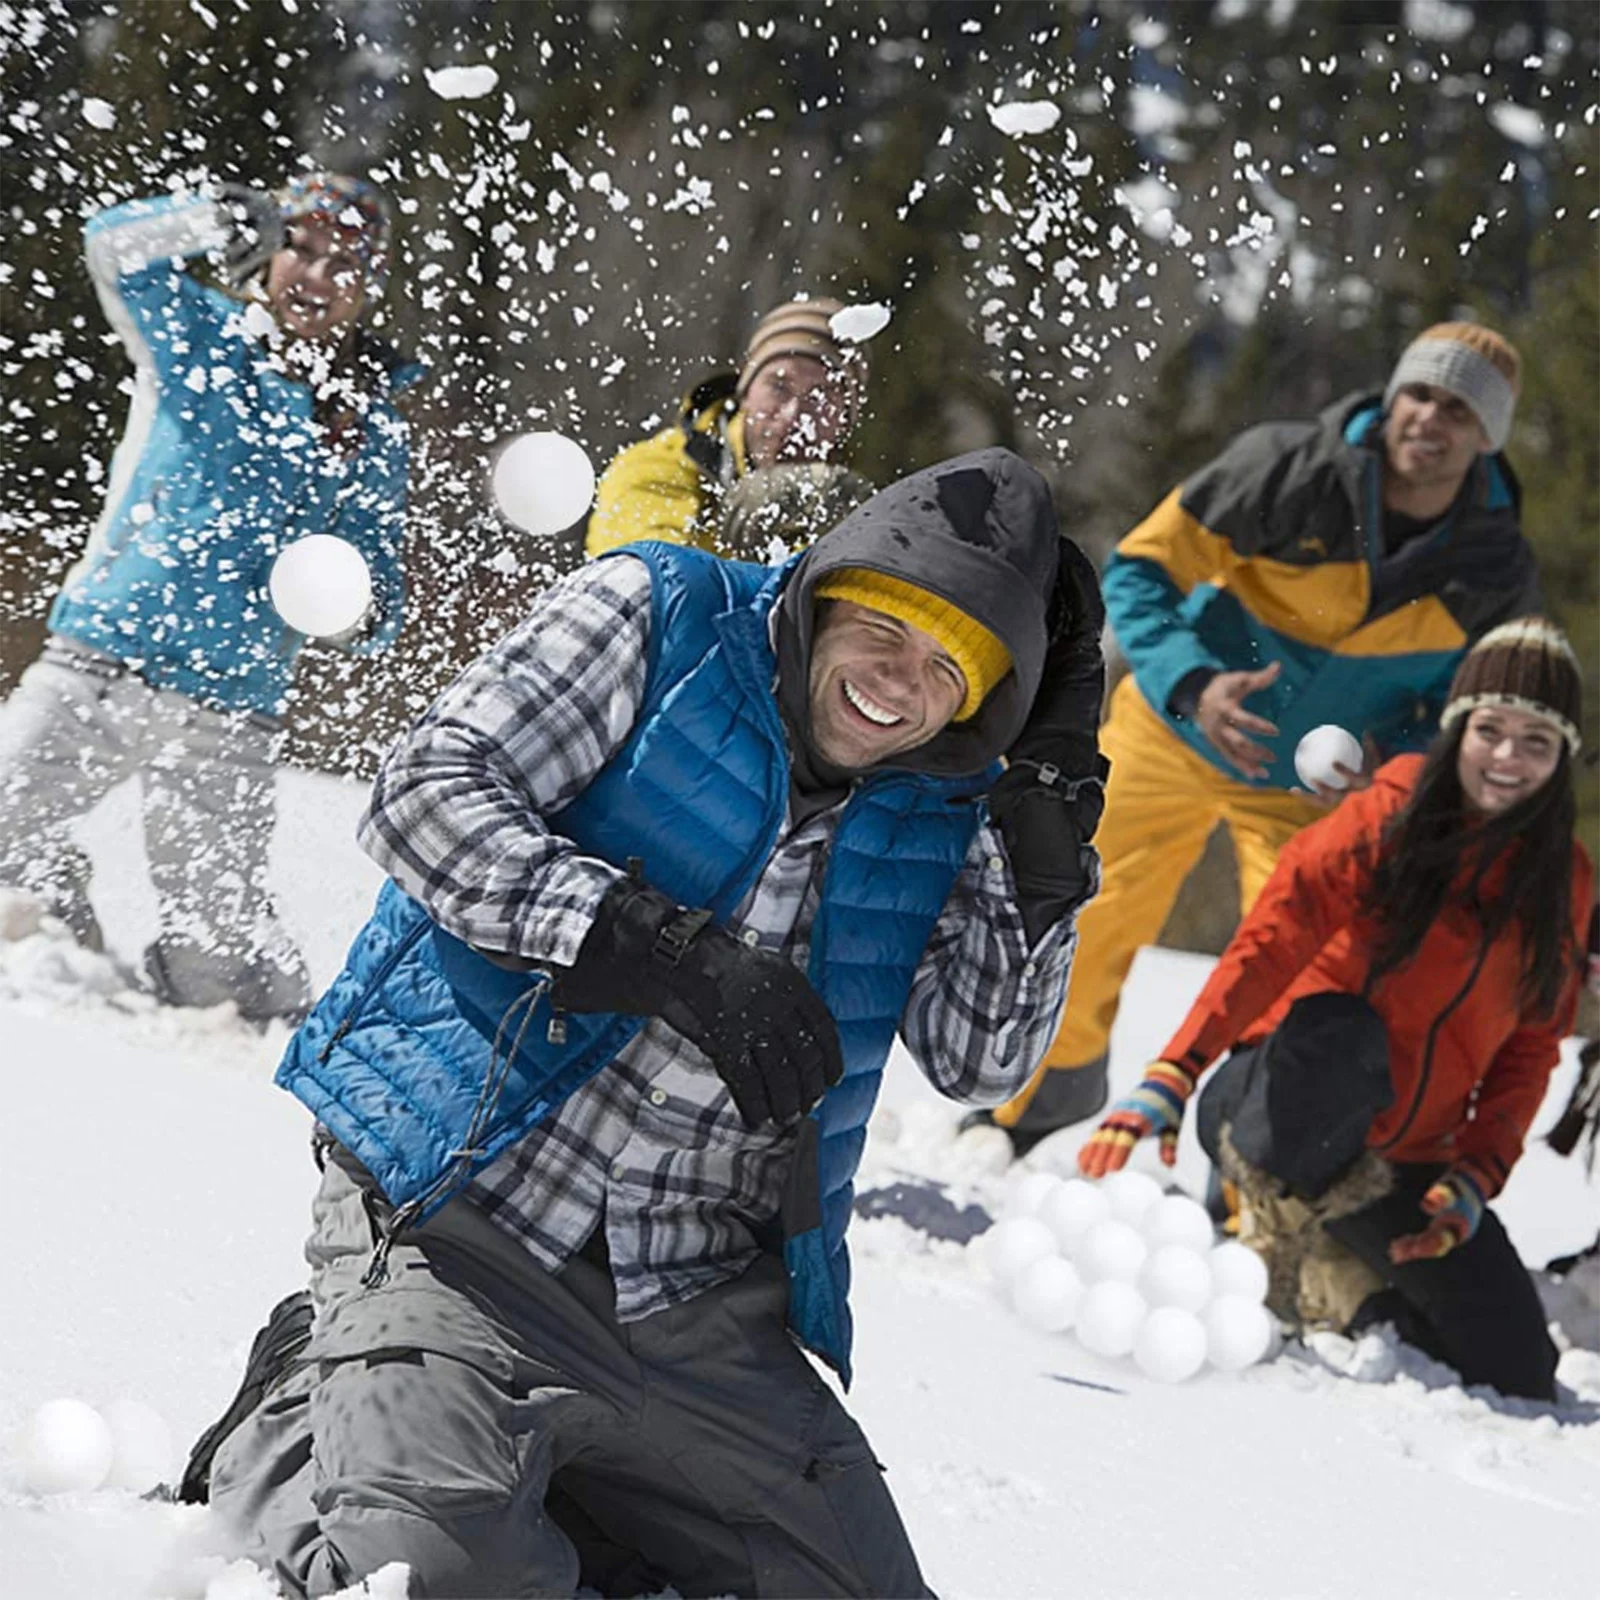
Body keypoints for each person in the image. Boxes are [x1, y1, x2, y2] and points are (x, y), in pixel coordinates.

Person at [198, 447, 1108, 1597]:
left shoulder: (955, 795)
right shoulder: (659, 613)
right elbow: (423, 788)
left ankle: (543, 1464)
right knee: (439, 1580)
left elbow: (984, 1059)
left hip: (695, 1296)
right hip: (461, 1217)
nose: (900, 680)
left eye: (949, 667)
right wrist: (646, 942)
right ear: (834, 585)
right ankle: (304, 1411)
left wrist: (1046, 853)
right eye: (887, 623)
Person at [975, 320, 1545, 1157]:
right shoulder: (1286, 467)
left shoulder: (1496, 567)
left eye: (1459, 409)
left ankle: (1247, 1160)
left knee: (1302, 970)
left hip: (1310, 795)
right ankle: (1039, 1107)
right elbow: (1139, 568)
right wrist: (1196, 682)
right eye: (1421, 392)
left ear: (1487, 435)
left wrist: (1397, 762)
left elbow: (1471, 710)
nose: (1431, 417)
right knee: (1083, 911)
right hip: (1172, 732)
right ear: (1394, 395)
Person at [1079, 618, 1591, 1401]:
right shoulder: (1384, 818)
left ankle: (1338, 1276)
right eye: (1491, 730)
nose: (1508, 758)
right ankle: (1254, 1209)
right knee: (1347, 1037)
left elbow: (1532, 1045)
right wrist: (1173, 1072)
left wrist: (1473, 1177)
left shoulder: (1565, 880)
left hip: (1404, 1162)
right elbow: (1267, 945)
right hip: (1280, 1099)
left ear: (1563, 759)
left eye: (1536, 741)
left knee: (1518, 1369)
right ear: (1460, 729)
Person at [0, 172, 419, 1022]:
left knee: (217, 980)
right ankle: (50, 886)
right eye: (300, 246)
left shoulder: (369, 423)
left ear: (366, 291)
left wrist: (354, 607)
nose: (315, 275)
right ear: (268, 250)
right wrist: (209, 216)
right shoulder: (198, 333)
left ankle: (262, 1006)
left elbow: (382, 592)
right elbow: (110, 248)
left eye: (344, 263)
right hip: (103, 664)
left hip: (231, 716)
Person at [585, 295, 874, 560]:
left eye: (820, 397)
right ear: (745, 392)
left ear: (845, 421)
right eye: (778, 386)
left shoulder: (849, 509)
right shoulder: (657, 467)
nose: (793, 415)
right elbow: (656, 584)